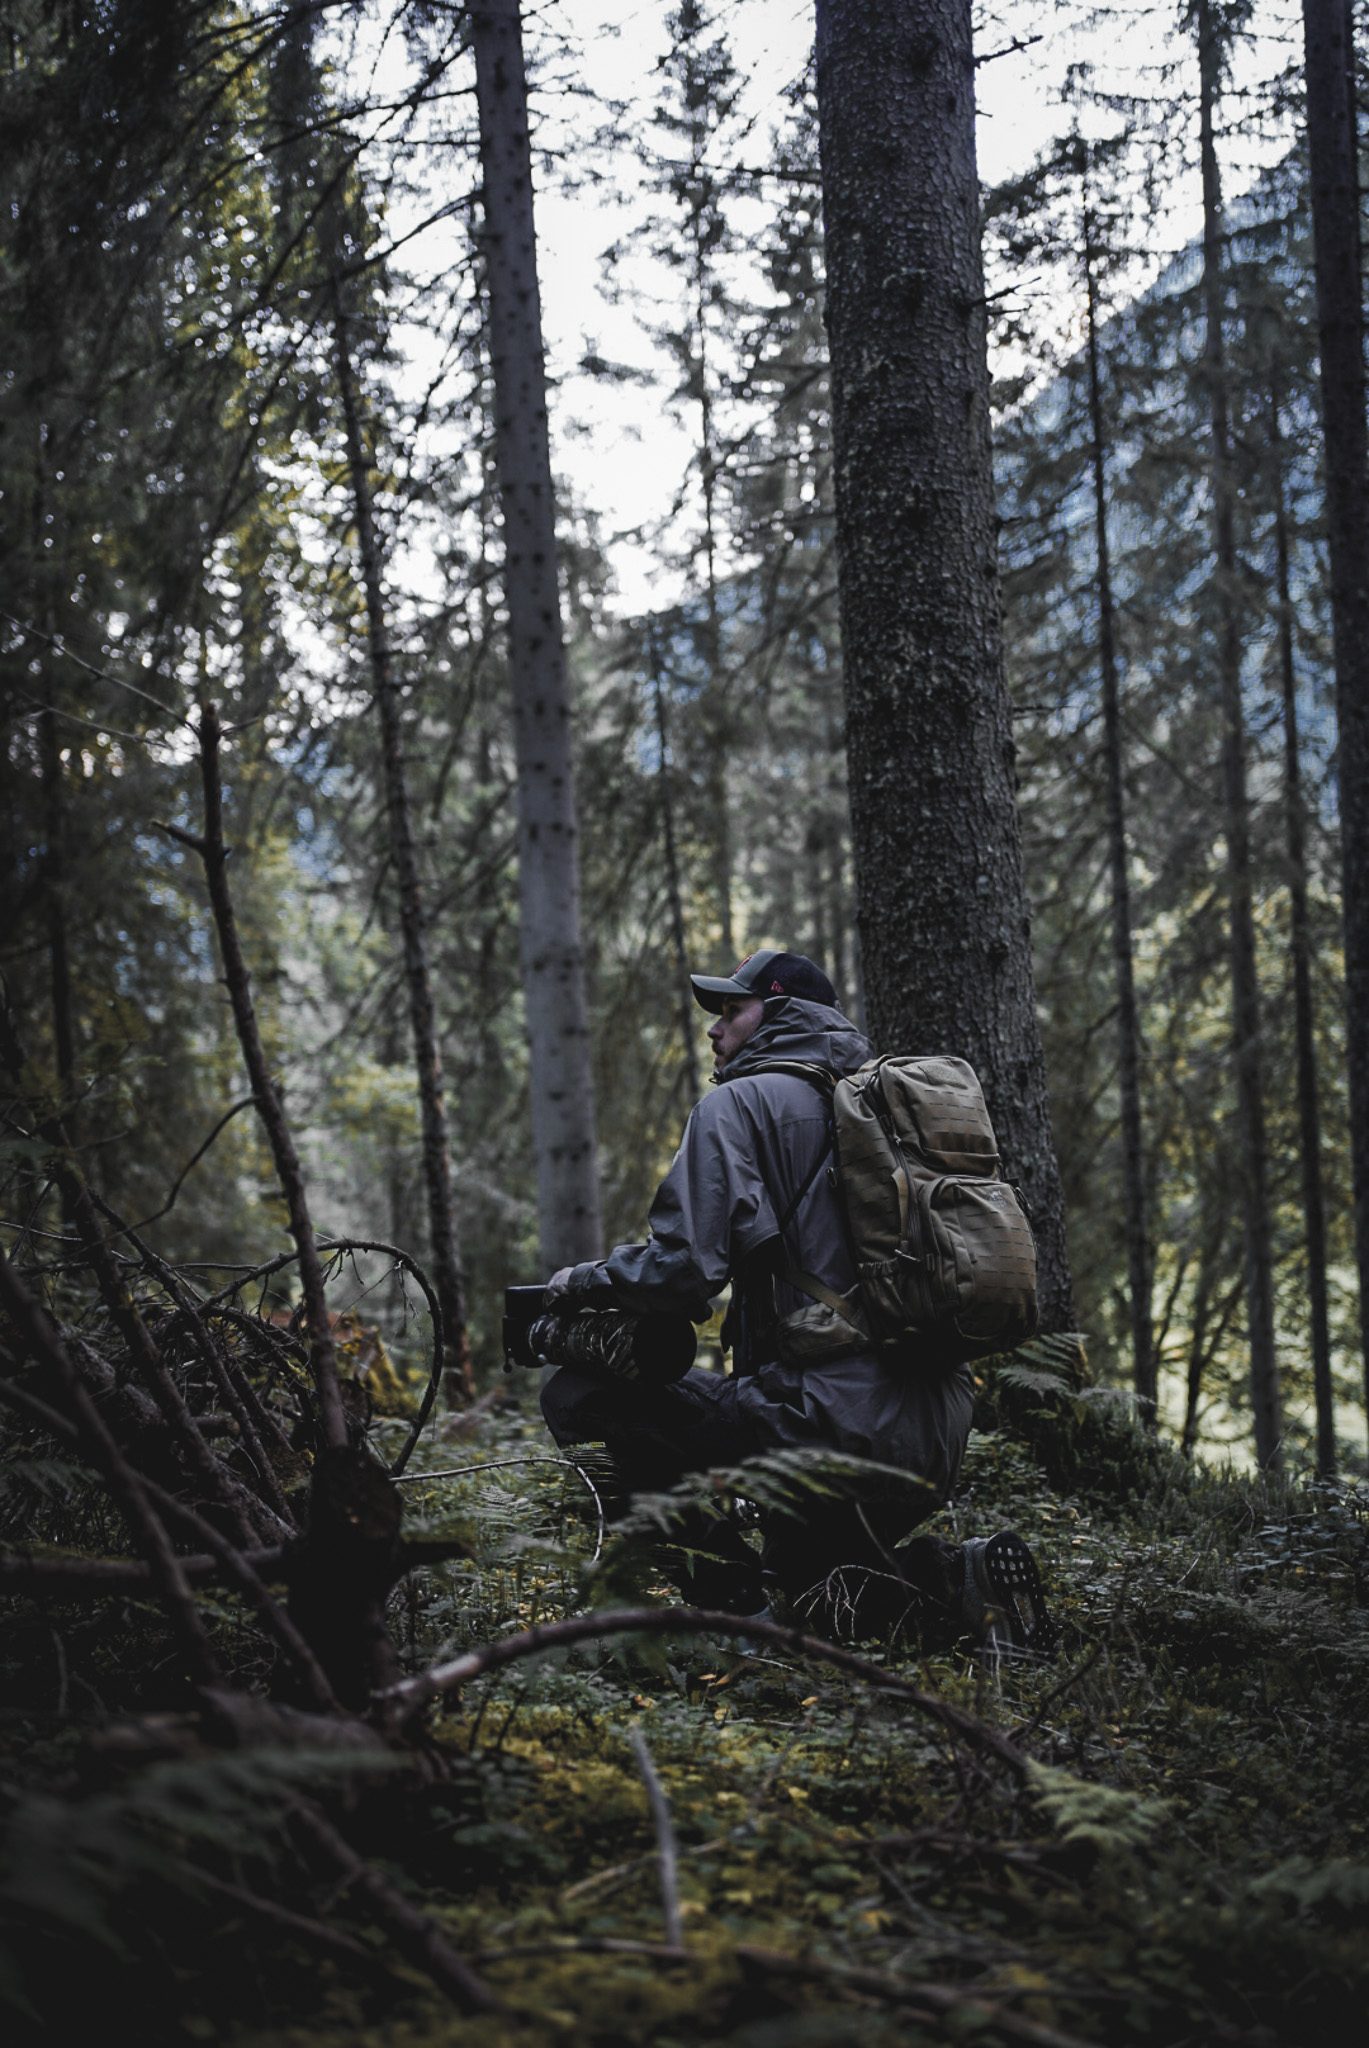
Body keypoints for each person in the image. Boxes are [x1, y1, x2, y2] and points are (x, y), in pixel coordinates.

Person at [540, 947, 1052, 1654]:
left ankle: (734, 1609)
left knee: (574, 1396)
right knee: (818, 1590)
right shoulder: (886, 1111)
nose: (714, 1032)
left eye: (730, 1011)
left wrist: (582, 1283)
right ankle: (954, 1581)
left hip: (829, 1424)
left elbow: (683, 1269)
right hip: (933, 1436)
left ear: (779, 1014)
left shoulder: (739, 1103)